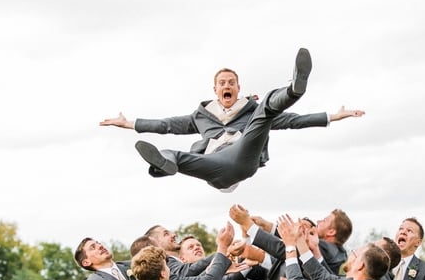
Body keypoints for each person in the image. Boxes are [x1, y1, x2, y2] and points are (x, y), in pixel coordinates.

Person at [100, 48, 364, 191]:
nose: (227, 86)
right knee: (169, 152)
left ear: (238, 87)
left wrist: (332, 116)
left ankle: (294, 89)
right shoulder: (200, 116)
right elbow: (166, 125)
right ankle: (166, 166)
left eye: (231, 83)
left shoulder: (250, 110)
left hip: (243, 156)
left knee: (266, 108)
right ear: (215, 89)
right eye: (222, 83)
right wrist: (130, 123)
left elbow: (293, 121)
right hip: (212, 164)